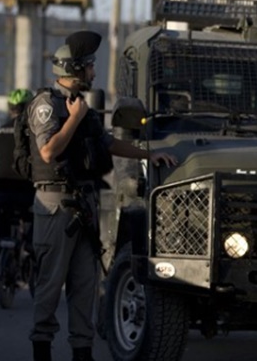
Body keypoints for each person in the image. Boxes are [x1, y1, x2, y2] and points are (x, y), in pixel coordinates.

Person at [28, 30, 177, 361]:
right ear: (74, 69)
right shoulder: (46, 105)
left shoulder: (82, 107)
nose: (94, 72)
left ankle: (82, 353)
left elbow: (108, 143)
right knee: (49, 288)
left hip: (83, 205)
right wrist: (74, 119)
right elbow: (49, 151)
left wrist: (149, 155)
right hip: (55, 206)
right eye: (90, 66)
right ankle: (42, 350)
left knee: (85, 287)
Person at [0, 88, 36, 248]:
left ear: (10, 109)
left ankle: (2, 250)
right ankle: (29, 250)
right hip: (27, 191)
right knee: (36, 223)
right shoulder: (33, 133)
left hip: (1, 191)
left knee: (2, 225)